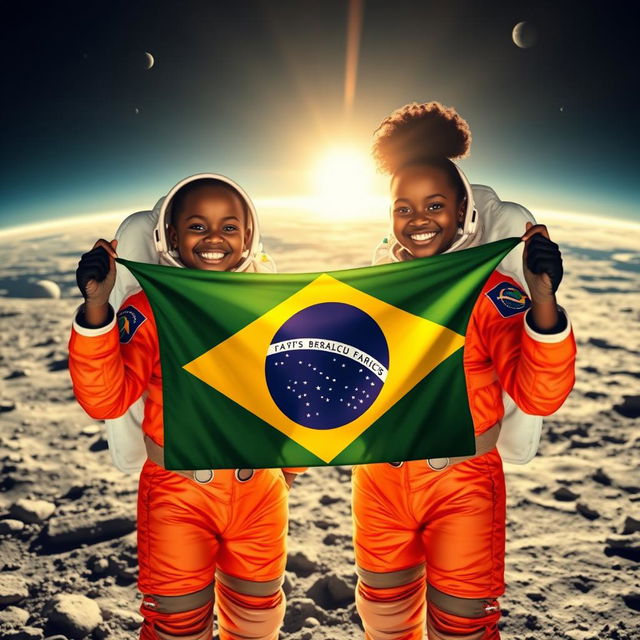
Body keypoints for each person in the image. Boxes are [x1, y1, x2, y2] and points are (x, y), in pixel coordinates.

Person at [352, 103, 577, 640]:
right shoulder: (368, 290)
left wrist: (542, 303)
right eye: (403, 208)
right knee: (384, 618)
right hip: (379, 481)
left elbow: (538, 394)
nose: (419, 219)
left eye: (435, 205)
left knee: (461, 629)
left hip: (460, 485)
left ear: (464, 213)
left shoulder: (490, 294)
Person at [68, 175, 303, 640]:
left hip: (260, 493)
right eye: (198, 226)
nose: (214, 238)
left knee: (258, 620)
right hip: (179, 495)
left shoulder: (276, 308)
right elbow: (107, 398)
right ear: (170, 237)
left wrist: (288, 470)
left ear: (249, 237)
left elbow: (294, 401)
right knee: (176, 625)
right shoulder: (148, 309)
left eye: (229, 227)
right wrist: (97, 309)